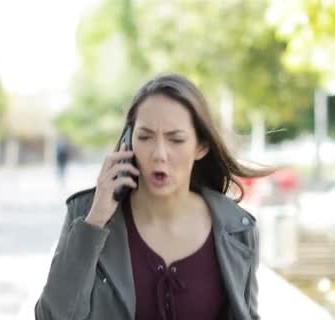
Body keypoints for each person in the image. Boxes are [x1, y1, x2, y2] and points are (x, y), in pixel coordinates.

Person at [35, 73, 272, 320]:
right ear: (128, 142)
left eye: (176, 139)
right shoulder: (87, 214)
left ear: (201, 146)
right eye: (145, 137)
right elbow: (52, 316)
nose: (159, 153)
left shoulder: (237, 229)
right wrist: (95, 222)